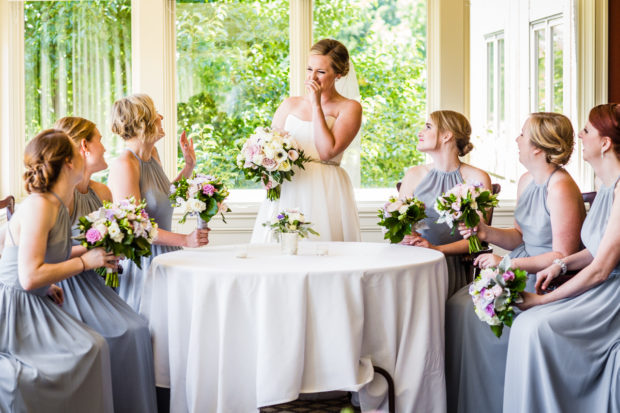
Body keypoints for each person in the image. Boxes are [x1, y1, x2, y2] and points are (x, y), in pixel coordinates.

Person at [445, 112, 586, 413]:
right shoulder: (526, 181)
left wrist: (504, 265)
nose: (517, 139)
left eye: (523, 133)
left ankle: (499, 401)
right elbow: (521, 236)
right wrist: (485, 231)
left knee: (473, 315)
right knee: (457, 306)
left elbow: (562, 256)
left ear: (538, 146)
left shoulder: (560, 187)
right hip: (520, 261)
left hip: (546, 278)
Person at [503, 104, 620, 412]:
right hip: (599, 283)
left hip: (611, 294)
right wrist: (561, 264)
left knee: (535, 326)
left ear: (605, 143)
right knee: (526, 324)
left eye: (586, 131)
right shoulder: (604, 185)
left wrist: (541, 300)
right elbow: (597, 249)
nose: (579, 136)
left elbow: (602, 268)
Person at [0, 129, 115, 412]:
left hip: (35, 300)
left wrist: (95, 254)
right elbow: (27, 277)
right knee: (89, 349)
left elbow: (44, 258)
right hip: (12, 313)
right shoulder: (40, 205)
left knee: (94, 346)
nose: (83, 152)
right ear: (68, 162)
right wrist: (86, 263)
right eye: (77, 151)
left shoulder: (57, 204)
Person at [53, 116, 158, 412]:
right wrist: (91, 255)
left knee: (140, 327)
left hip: (101, 281)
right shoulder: (62, 197)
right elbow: (48, 252)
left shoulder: (102, 192)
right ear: (84, 146)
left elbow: (118, 233)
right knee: (125, 332)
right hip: (68, 285)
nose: (104, 145)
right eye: (98, 139)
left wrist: (119, 247)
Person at [251, 38, 362, 243]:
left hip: (325, 188)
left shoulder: (349, 108)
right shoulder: (289, 104)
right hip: (289, 186)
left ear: (338, 74)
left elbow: (327, 152)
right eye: (309, 69)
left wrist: (316, 106)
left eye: (321, 72)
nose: (312, 78)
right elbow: (268, 145)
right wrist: (266, 170)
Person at [108, 94, 209, 311]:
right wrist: (185, 239)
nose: (161, 116)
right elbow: (136, 228)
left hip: (168, 256)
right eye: (156, 114)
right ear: (142, 123)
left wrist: (188, 167)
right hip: (145, 265)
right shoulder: (124, 165)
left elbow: (164, 197)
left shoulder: (152, 154)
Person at [398, 110, 492, 297]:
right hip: (414, 260)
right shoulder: (414, 174)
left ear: (447, 135)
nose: (420, 132)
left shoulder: (477, 178)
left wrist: (436, 250)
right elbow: (399, 225)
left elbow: (477, 239)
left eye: (428, 126)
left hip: (452, 262)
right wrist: (408, 236)